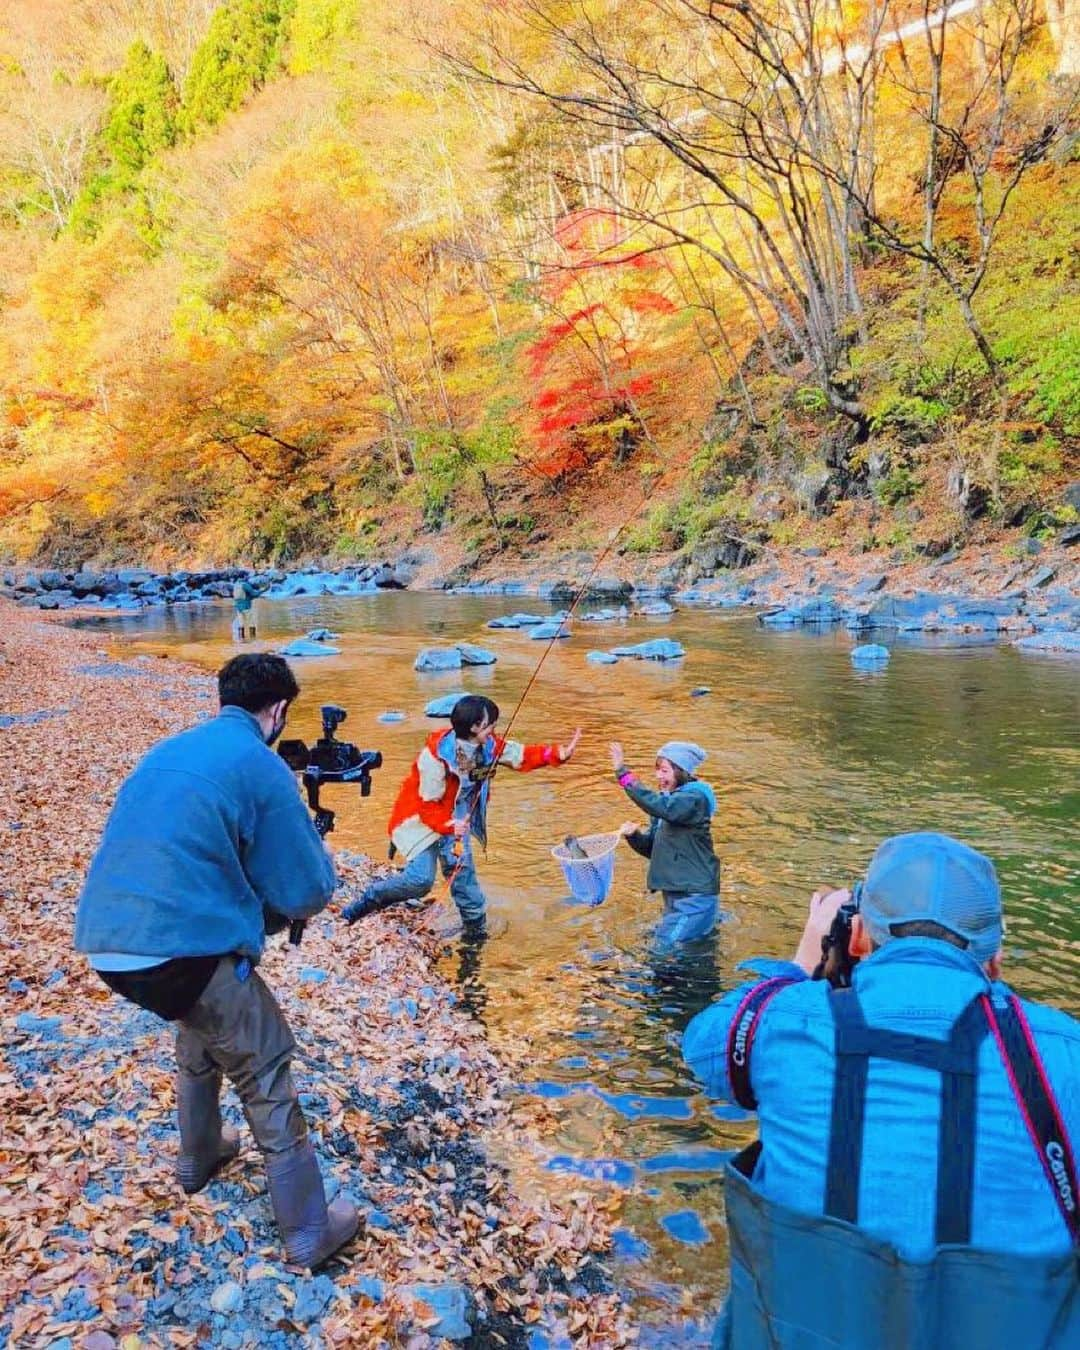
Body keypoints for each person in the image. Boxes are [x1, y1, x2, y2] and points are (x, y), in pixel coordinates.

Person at [682, 832, 1080, 1350]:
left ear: (859, 938)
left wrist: (805, 958)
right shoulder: (1062, 1053)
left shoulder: (788, 1020)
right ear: (995, 958)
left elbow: (704, 1049)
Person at [74, 654, 357, 1270]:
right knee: (263, 1063)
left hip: (107, 940)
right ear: (279, 709)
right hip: (177, 947)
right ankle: (309, 1230)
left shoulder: (172, 749)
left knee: (203, 1010)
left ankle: (199, 1155)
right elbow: (308, 890)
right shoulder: (261, 764)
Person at [342, 695, 581, 930]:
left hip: (458, 815)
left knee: (461, 869)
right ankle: (369, 900)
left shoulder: (488, 745)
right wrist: (449, 826)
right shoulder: (434, 758)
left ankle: (475, 929)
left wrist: (557, 755)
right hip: (421, 819)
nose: (494, 728)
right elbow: (428, 806)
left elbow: (520, 755)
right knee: (421, 881)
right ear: (475, 727)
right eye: (490, 724)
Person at [610, 739, 722, 945]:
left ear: (681, 771)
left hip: (694, 899)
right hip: (676, 896)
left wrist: (623, 775)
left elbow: (659, 805)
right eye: (657, 771)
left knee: (663, 952)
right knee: (681, 951)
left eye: (664, 771)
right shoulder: (668, 805)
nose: (658, 776)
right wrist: (634, 836)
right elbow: (653, 850)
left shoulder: (693, 798)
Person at [232, 576, 260, 640]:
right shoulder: (245, 585)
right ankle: (253, 638)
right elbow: (253, 594)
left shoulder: (236, 585)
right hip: (246, 606)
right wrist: (260, 592)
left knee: (241, 622)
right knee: (251, 622)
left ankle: (241, 638)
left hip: (238, 607)